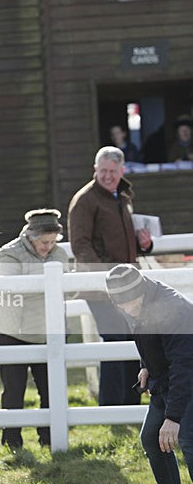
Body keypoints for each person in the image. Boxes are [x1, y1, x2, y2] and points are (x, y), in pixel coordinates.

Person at [106, 264, 193, 484]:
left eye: (133, 302)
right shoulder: (137, 300)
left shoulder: (172, 310)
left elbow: (185, 365)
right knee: (151, 437)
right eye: (122, 304)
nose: (129, 309)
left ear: (142, 290)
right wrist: (146, 365)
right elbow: (150, 338)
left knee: (189, 439)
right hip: (166, 378)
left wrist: (174, 418)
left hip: (186, 378)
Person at [68, 146, 152, 408]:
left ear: (121, 171)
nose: (107, 176)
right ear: (95, 169)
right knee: (115, 339)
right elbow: (80, 246)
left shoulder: (123, 195)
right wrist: (110, 277)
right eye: (102, 170)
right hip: (99, 287)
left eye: (112, 171)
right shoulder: (85, 200)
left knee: (132, 339)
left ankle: (130, 403)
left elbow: (123, 242)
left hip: (127, 286)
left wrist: (144, 245)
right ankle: (110, 406)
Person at [0, 209, 69, 450]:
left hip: (48, 332)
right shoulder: (10, 253)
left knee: (50, 389)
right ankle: (12, 440)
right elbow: (11, 289)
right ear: (31, 237)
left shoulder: (60, 253)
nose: (48, 247)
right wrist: (49, 286)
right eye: (44, 242)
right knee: (14, 389)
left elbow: (65, 287)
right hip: (12, 332)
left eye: (53, 242)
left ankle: (50, 439)